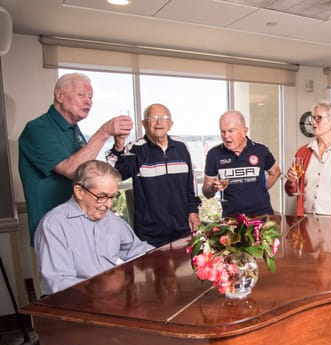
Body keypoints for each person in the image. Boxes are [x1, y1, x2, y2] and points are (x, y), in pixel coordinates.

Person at [19, 72, 133, 245]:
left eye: (91, 97)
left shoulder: (75, 132)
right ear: (59, 95)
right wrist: (104, 132)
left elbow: (91, 174)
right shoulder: (37, 129)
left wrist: (117, 146)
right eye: (81, 95)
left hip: (81, 227)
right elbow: (72, 170)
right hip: (54, 232)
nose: (88, 101)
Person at [34, 160, 154, 296]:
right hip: (70, 302)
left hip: (109, 297)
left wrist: (168, 256)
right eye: (102, 197)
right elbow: (59, 282)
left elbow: (138, 249)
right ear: (79, 191)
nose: (108, 204)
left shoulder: (111, 220)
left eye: (112, 197)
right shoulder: (53, 224)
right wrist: (104, 287)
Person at [106, 103, 201, 247]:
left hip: (183, 228)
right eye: (154, 118)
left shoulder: (181, 146)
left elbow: (191, 184)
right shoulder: (136, 148)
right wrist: (119, 145)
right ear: (144, 123)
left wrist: (193, 211)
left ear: (171, 124)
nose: (159, 122)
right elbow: (115, 174)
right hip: (150, 234)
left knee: (186, 269)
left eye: (164, 118)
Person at [284, 101, 331, 217]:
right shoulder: (302, 152)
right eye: (312, 118)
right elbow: (291, 191)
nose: (313, 122)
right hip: (305, 217)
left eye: (318, 118)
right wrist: (291, 181)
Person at [202, 110, 281, 217]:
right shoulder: (214, 154)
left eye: (231, 131)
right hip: (231, 219)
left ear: (244, 131)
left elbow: (276, 171)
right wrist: (213, 188)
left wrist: (261, 190)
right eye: (223, 131)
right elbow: (206, 192)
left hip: (261, 216)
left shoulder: (260, 150)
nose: (226, 136)